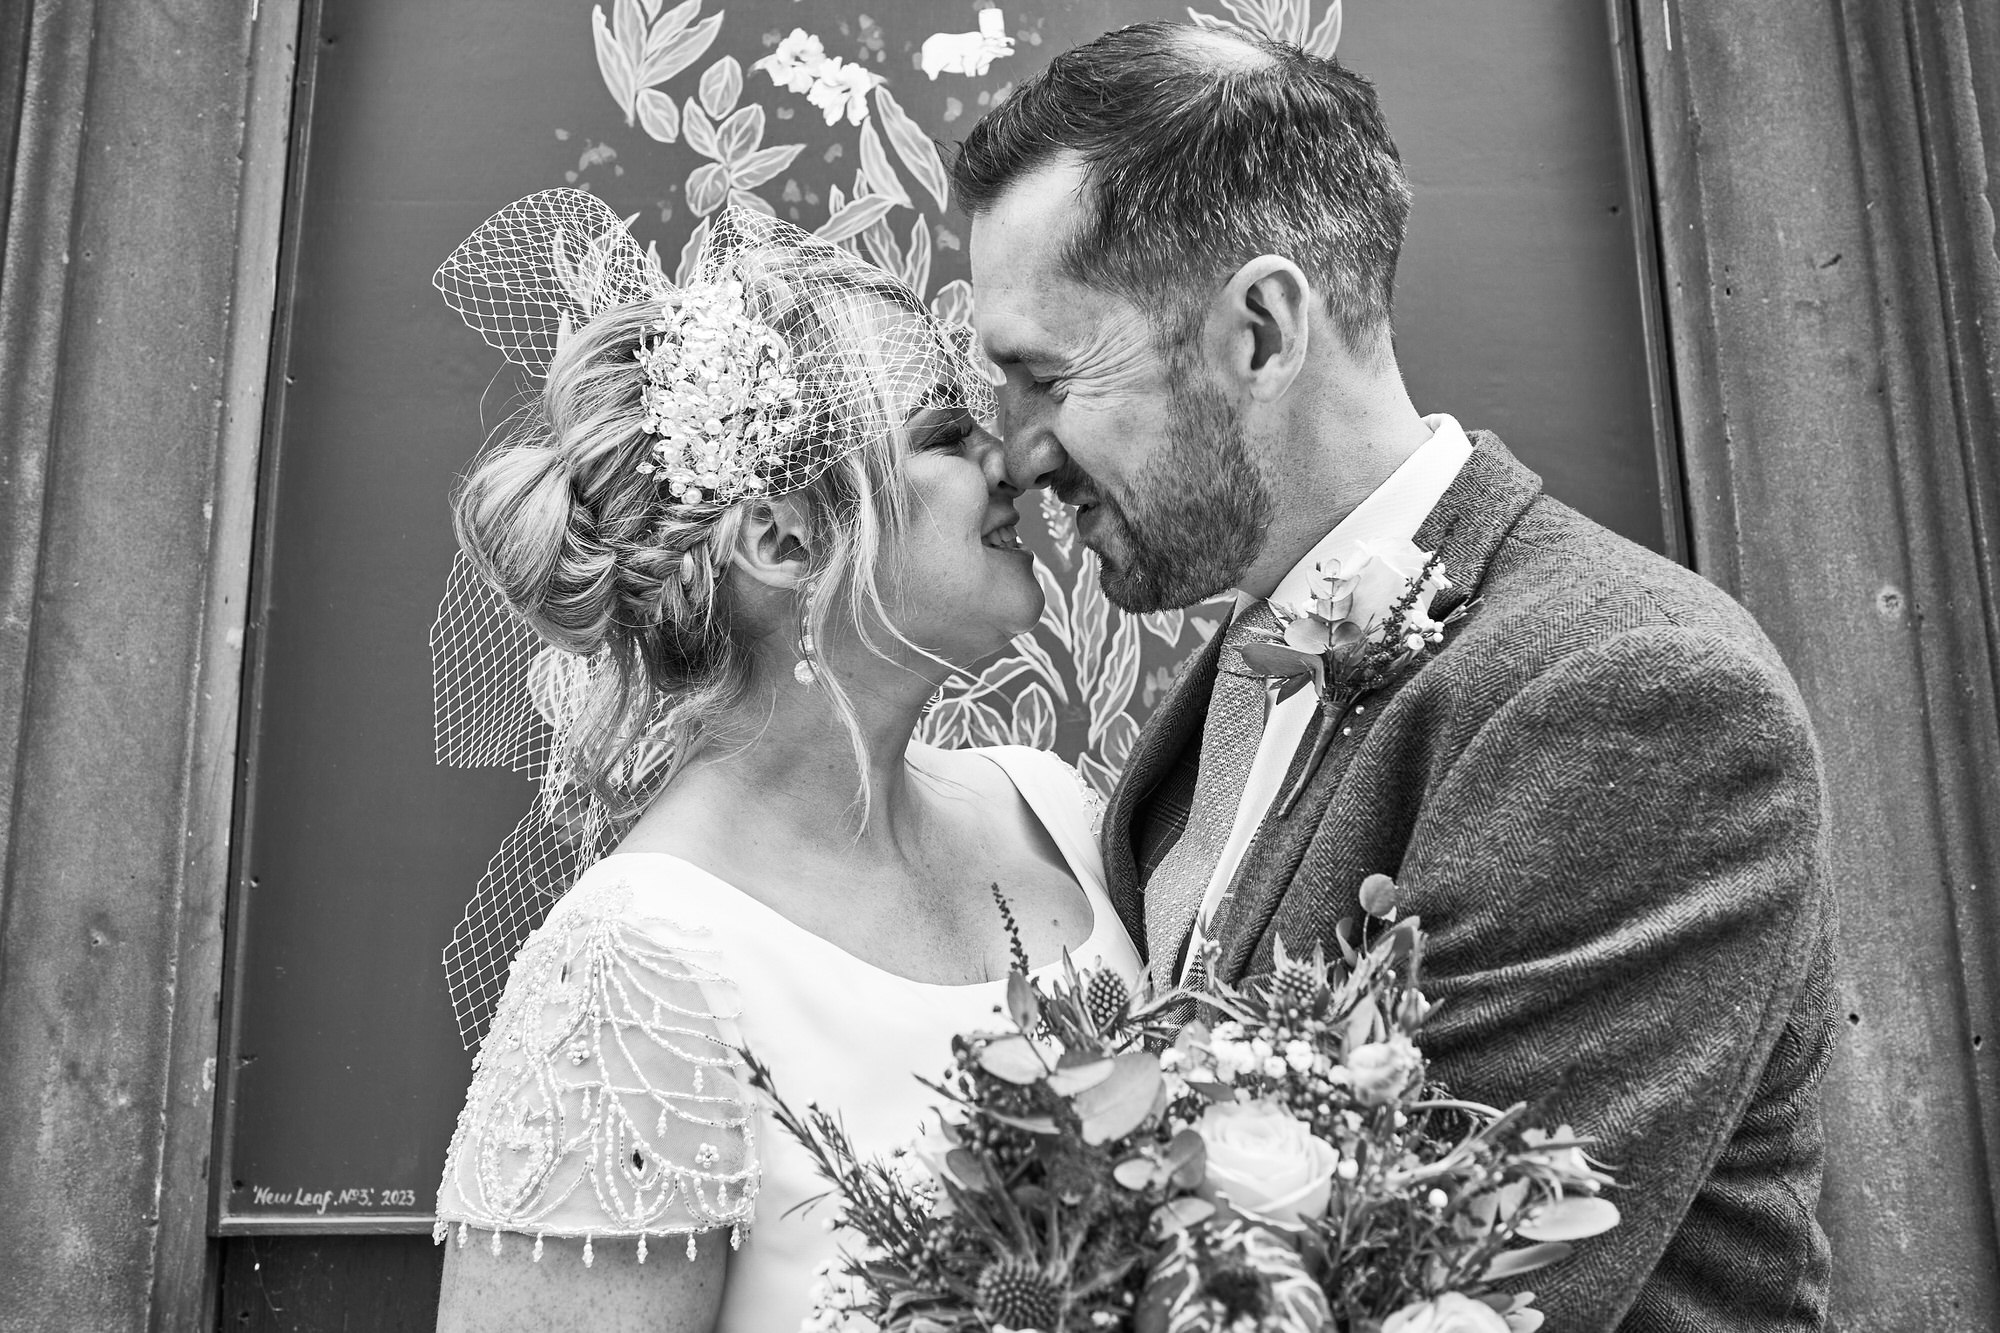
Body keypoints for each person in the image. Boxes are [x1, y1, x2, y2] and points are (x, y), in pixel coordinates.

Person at [953, 22, 1838, 1331]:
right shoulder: (1239, 666)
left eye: (1045, 377)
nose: (1016, 456)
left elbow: (1444, 1282)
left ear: (1259, 330)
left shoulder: (1638, 693)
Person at [427, 195, 1140, 1332]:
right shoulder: (639, 963)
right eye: (944, 435)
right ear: (784, 538)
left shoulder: (1049, 803)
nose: (1009, 461)